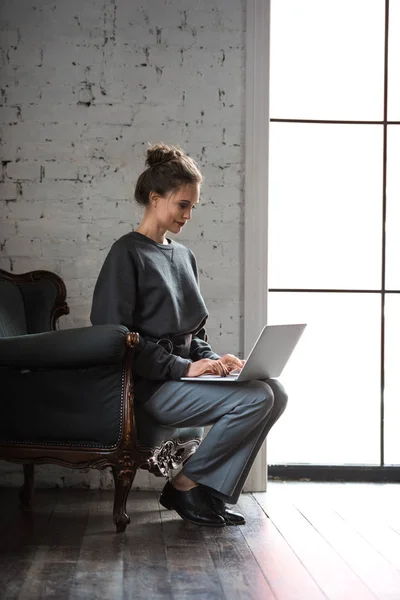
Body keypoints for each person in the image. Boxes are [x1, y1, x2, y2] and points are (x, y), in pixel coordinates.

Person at [90, 143, 288, 527]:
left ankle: (207, 491)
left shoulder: (184, 256)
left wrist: (214, 361)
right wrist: (184, 366)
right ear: (155, 198)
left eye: (193, 206)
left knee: (275, 391)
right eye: (183, 204)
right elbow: (115, 337)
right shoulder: (125, 254)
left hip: (181, 376)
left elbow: (193, 332)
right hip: (152, 385)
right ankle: (184, 486)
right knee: (256, 399)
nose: (189, 215)